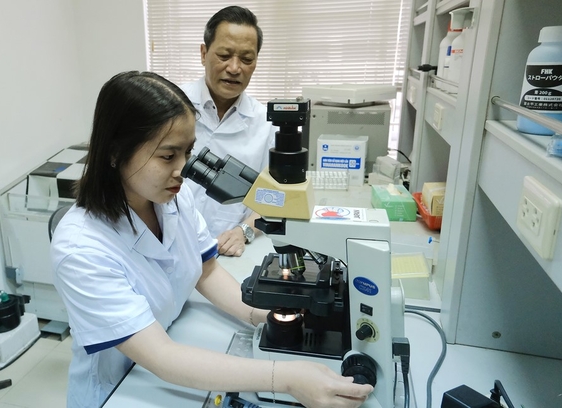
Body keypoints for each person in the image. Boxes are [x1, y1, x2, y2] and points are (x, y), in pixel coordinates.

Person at [51, 71, 373, 408]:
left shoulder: (173, 197)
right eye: (167, 156)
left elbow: (206, 270)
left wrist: (264, 317)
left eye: (188, 152)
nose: (183, 169)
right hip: (120, 388)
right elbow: (161, 357)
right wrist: (287, 378)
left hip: (175, 345)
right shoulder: (81, 249)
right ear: (115, 153)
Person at [180, 6, 277, 257]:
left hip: (228, 252)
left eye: (246, 59)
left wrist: (244, 231)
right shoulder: (170, 105)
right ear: (203, 53)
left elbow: (274, 197)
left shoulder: (266, 123)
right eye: (224, 55)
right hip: (168, 246)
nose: (235, 68)